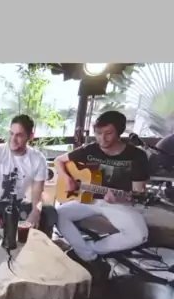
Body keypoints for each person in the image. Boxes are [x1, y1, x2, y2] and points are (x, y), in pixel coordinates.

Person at [54, 110, 150, 278]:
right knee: (57, 213)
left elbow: (137, 193)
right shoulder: (91, 149)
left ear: (119, 132)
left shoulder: (137, 156)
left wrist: (121, 198)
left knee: (139, 235)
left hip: (119, 203)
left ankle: (89, 250)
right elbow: (58, 161)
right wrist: (67, 178)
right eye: (98, 133)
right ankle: (90, 257)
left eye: (108, 133)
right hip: (88, 199)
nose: (102, 139)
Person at [0, 114, 57, 237]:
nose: (13, 139)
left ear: (31, 136)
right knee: (0, 228)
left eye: (19, 135)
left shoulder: (38, 158)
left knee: (49, 212)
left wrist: (36, 212)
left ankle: (40, 246)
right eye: (11, 133)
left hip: (18, 204)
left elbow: (38, 191)